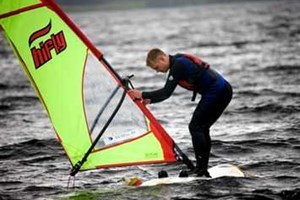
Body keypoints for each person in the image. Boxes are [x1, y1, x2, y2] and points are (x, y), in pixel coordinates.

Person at [128, 48, 232, 177]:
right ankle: (202, 168)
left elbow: (166, 92)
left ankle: (200, 169)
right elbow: (166, 93)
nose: (157, 71)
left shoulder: (179, 65)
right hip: (222, 90)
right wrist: (150, 100)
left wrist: (142, 94)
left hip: (218, 91)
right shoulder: (178, 63)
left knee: (195, 127)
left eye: (156, 67)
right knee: (202, 128)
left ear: (162, 58)